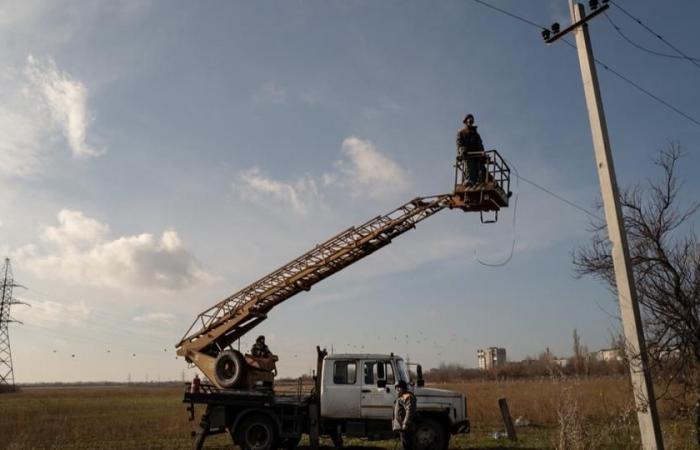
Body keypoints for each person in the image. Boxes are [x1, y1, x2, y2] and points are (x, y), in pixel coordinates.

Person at [456, 113, 486, 186]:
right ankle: (469, 181)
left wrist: (483, 153)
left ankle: (496, 186)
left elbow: (480, 145)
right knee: (470, 169)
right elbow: (459, 143)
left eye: (471, 120)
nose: (470, 121)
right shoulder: (461, 132)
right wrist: (462, 150)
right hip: (467, 155)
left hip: (476, 156)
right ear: (466, 121)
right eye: (469, 120)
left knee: (483, 170)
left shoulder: (476, 134)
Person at [392, 380, 417, 450]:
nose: (397, 389)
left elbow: (410, 410)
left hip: (406, 427)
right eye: (396, 388)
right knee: (405, 445)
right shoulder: (400, 397)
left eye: (399, 388)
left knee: (407, 446)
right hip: (402, 427)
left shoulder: (407, 397)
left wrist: (405, 423)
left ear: (404, 388)